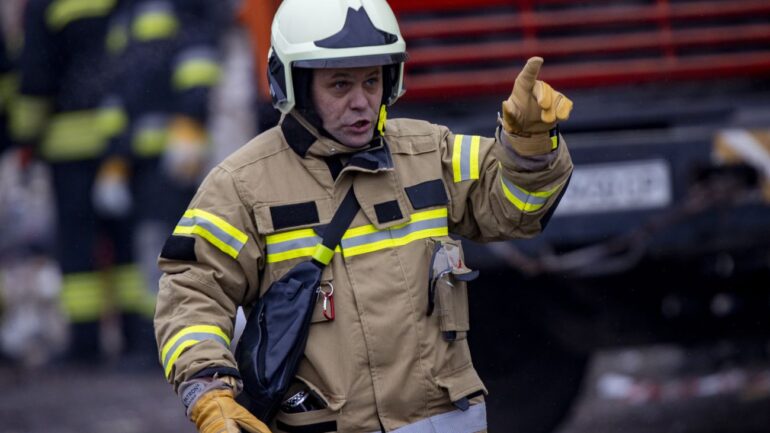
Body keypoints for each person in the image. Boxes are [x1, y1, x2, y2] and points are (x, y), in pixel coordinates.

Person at [154, 0, 574, 432]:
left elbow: (516, 209)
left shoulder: (431, 152)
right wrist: (207, 389)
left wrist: (529, 147)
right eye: (340, 85)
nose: (361, 102)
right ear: (294, 84)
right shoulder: (242, 185)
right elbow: (193, 292)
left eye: (371, 81)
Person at [11, 0, 148, 364]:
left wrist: (23, 136)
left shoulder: (46, 6)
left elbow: (36, 77)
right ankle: (135, 338)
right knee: (123, 241)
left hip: (68, 145)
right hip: (121, 142)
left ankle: (85, 342)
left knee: (77, 245)